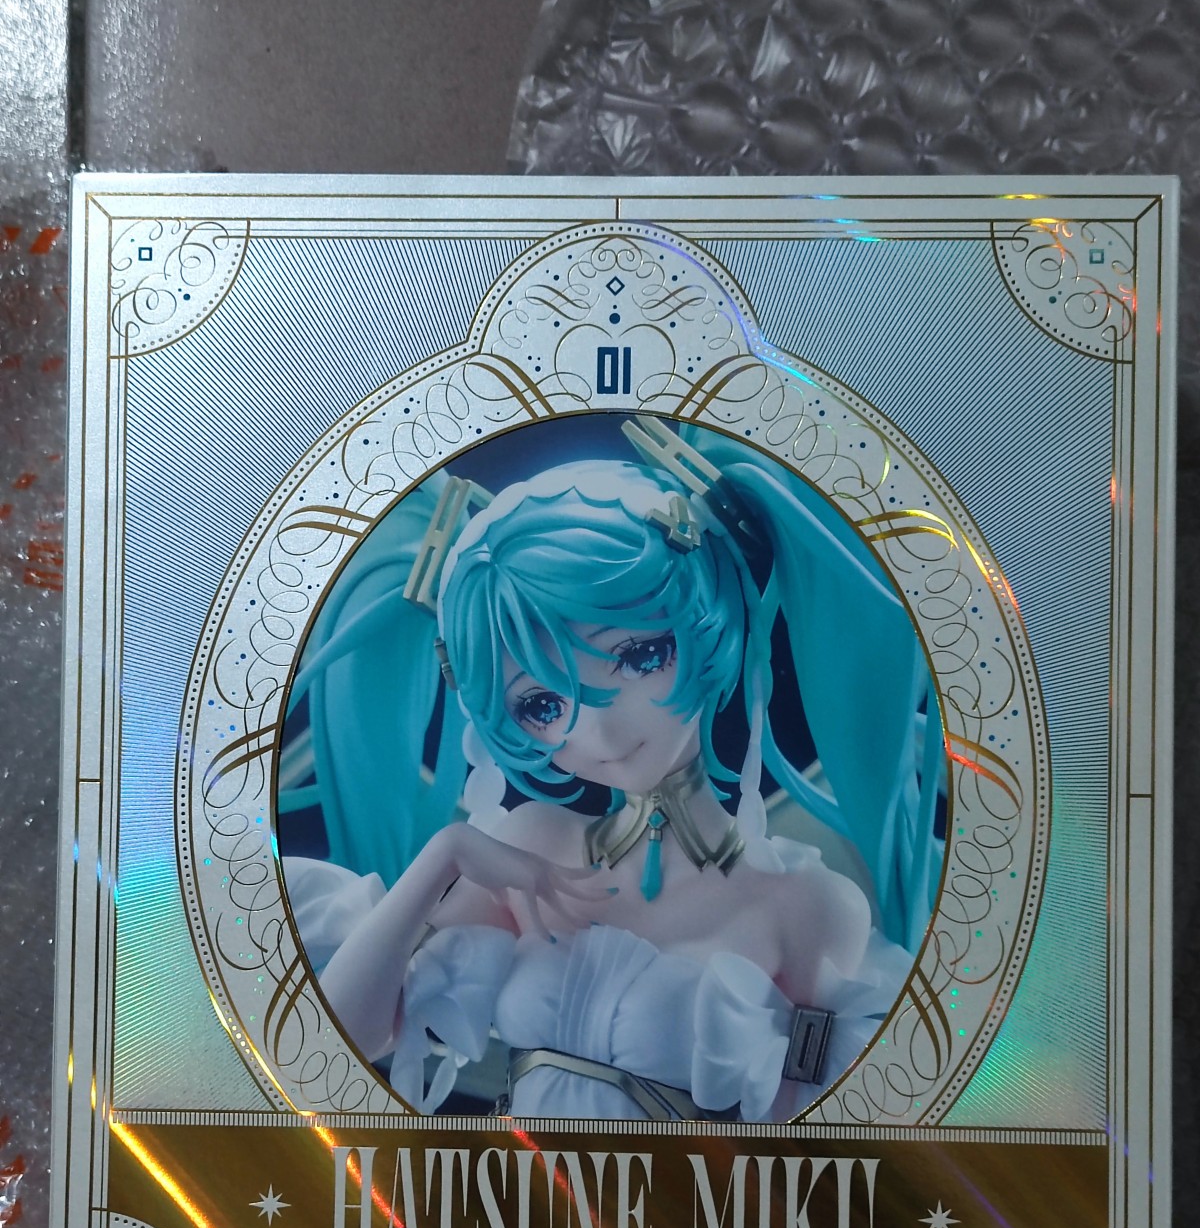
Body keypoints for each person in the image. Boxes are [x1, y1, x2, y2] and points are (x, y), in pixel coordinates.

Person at [279, 417, 943, 1122]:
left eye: (640, 657)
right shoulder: (529, 845)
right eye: (541, 705)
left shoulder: (805, 903)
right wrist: (447, 853)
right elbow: (347, 1037)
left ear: (706, 623)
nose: (599, 730)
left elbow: (813, 1132)